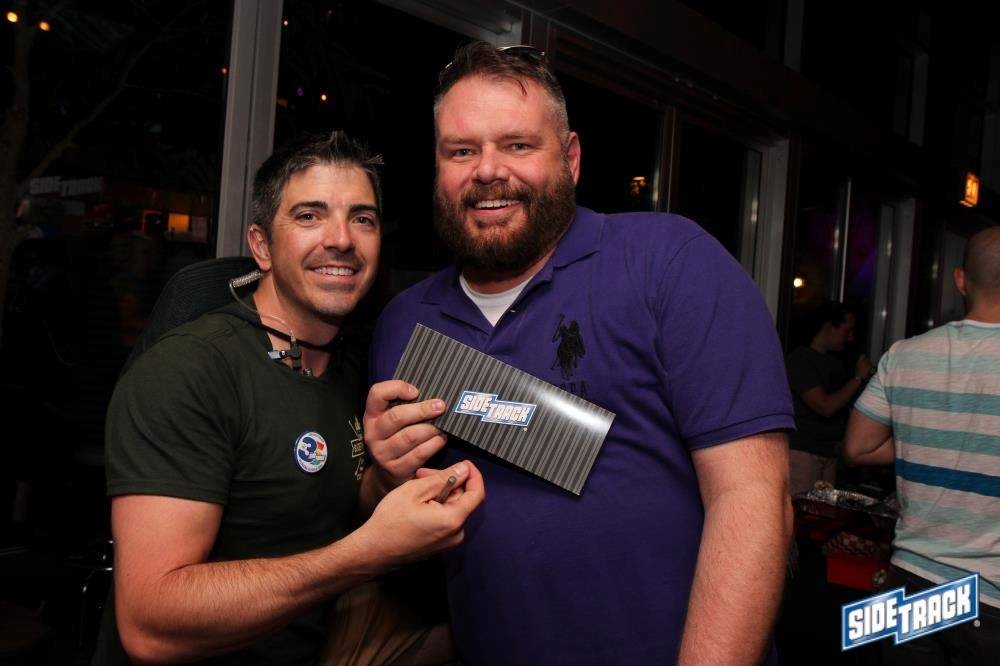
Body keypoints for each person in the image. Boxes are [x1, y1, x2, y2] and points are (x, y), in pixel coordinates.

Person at [366, 42, 795, 664]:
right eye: (461, 151)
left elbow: (753, 500)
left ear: (570, 159)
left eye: (518, 145)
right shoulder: (404, 323)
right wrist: (384, 474)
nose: (487, 171)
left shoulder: (668, 263)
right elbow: (395, 519)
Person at [94, 132, 484, 665]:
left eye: (362, 219)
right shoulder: (188, 371)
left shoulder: (352, 362)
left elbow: (319, 503)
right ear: (261, 246)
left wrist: (384, 476)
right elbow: (149, 624)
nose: (341, 239)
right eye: (309, 216)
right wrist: (368, 553)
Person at [844, 226, 1000, 664]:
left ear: (960, 280)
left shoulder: (904, 354)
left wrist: (932, 442)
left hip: (912, 580)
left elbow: (857, 448)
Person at [785, 301, 874, 494]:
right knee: (802, 509)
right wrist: (858, 378)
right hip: (805, 453)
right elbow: (825, 407)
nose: (851, 337)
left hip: (830, 452)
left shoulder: (836, 362)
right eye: (847, 330)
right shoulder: (800, 360)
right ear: (829, 326)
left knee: (824, 511)